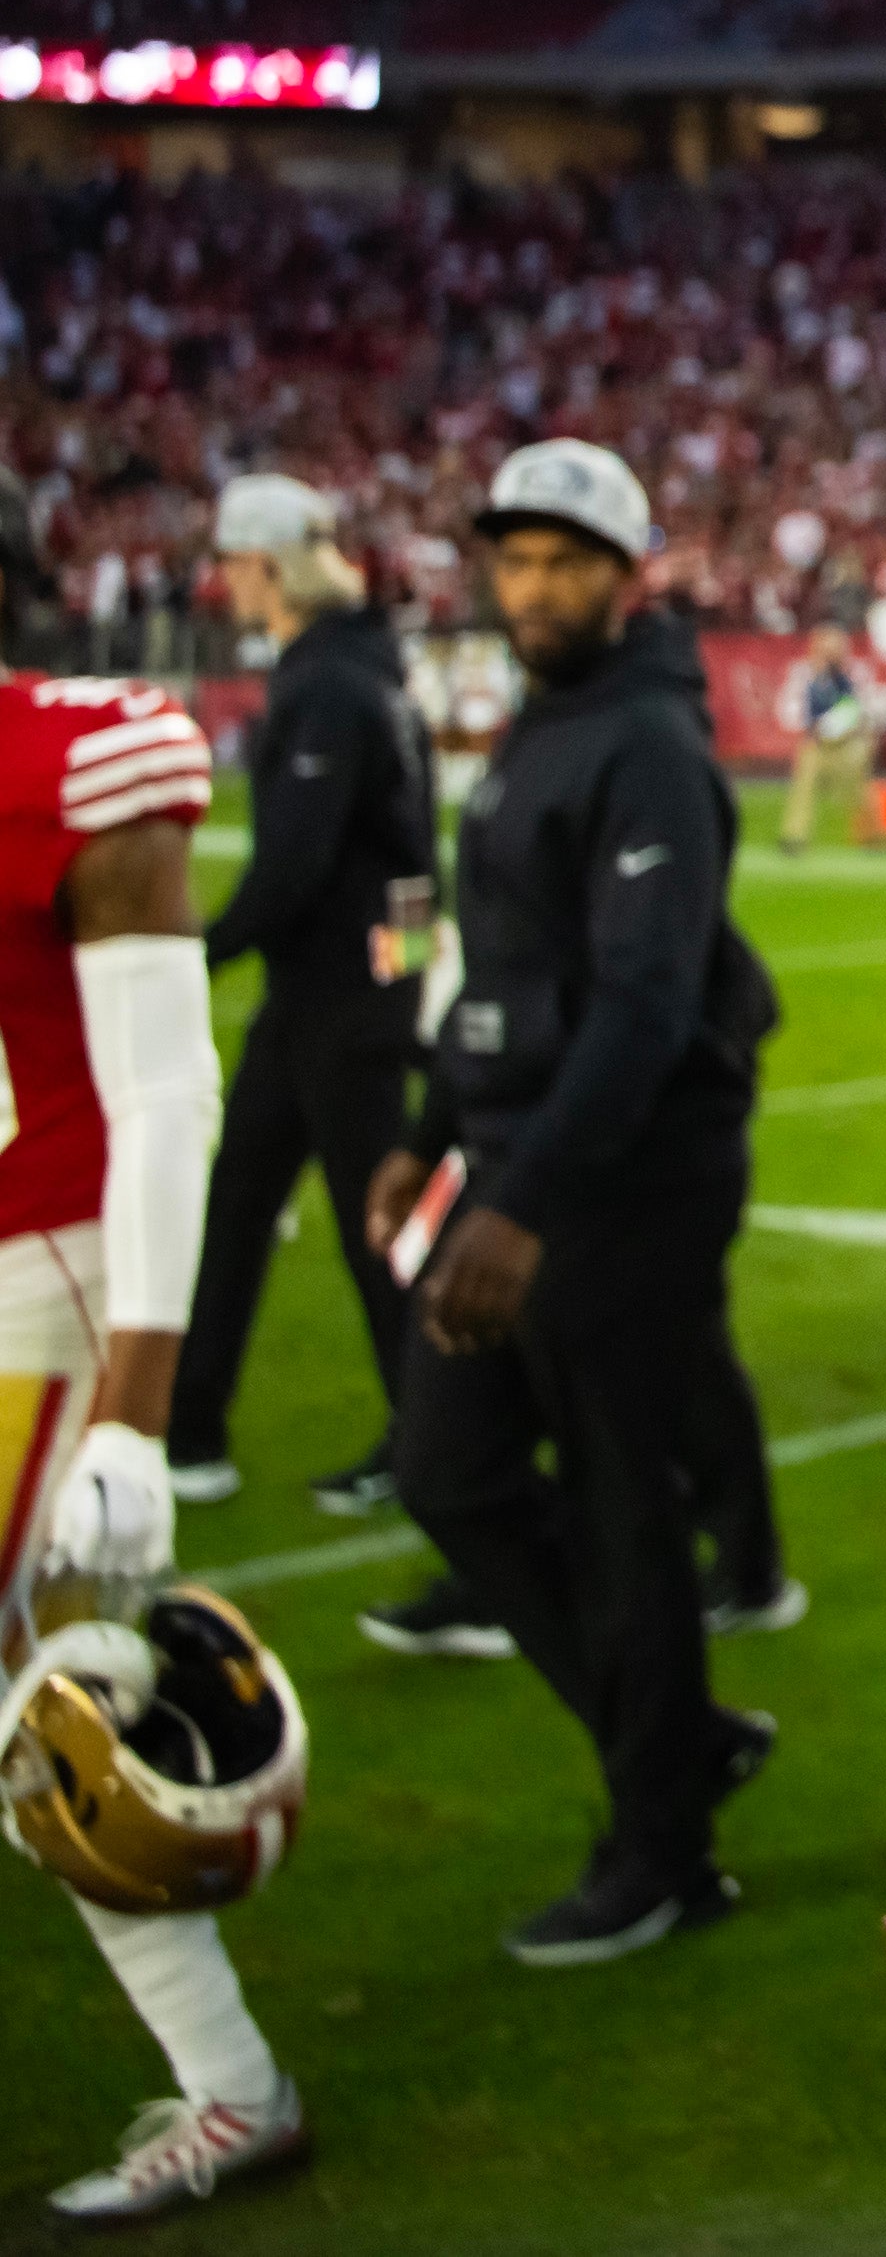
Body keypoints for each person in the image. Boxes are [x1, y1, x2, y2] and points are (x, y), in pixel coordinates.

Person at [365, 437, 785, 1963]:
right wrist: (434, 1128)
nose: (530, 585)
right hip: (525, 1158)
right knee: (450, 1468)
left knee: (620, 1508)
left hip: (625, 1179)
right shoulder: (550, 719)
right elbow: (504, 959)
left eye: (561, 561)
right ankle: (664, 1736)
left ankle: (663, 1848)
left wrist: (519, 1195)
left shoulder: (649, 741)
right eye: (514, 559)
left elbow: (647, 1000)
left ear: (624, 573)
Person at [0, 484, 302, 2224]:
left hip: (37, 1283)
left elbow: (167, 1093)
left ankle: (234, 2083)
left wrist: (136, 1394)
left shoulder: (73, 759)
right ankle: (233, 2081)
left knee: (57, 1722)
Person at [161, 476, 436, 1522]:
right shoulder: (368, 669)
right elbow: (415, 856)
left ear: (265, 565)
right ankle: (191, 1423)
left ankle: (440, 1438)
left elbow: (296, 865)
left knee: (374, 1228)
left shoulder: (325, 683)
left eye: (233, 564)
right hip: (343, 994)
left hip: (335, 1002)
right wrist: (403, 973)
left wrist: (196, 951)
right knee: (239, 1202)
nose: (225, 585)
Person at [775, 627, 878, 853]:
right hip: (816, 744)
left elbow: (864, 708)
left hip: (846, 744)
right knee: (804, 786)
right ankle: (795, 835)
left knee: (859, 789)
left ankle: (872, 833)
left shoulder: (854, 673)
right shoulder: (803, 673)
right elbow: (789, 708)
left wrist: (861, 734)